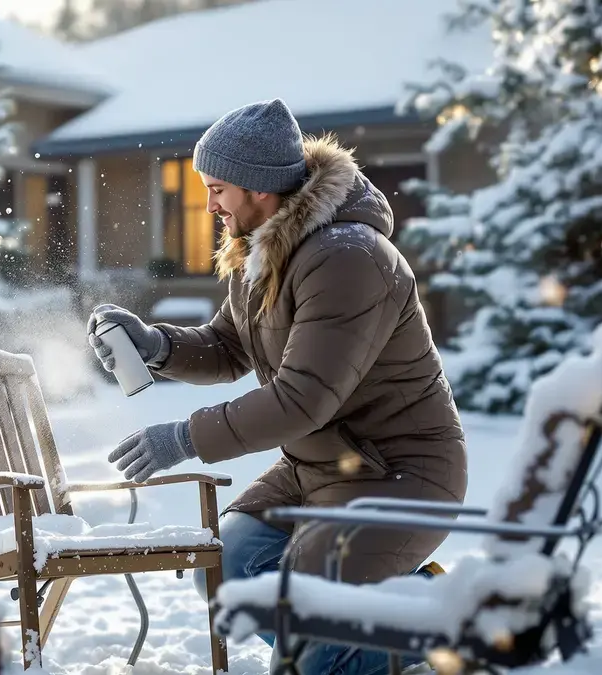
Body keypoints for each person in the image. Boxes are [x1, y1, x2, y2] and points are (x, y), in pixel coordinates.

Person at [86, 99, 468, 675]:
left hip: (397, 472)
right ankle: (405, 618)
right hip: (318, 467)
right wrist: (157, 346)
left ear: (257, 186)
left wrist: (185, 438)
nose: (209, 203)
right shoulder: (261, 249)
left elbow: (302, 399)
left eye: (216, 189)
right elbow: (231, 345)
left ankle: (401, 633)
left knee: (310, 643)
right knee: (229, 572)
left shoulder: (348, 258)